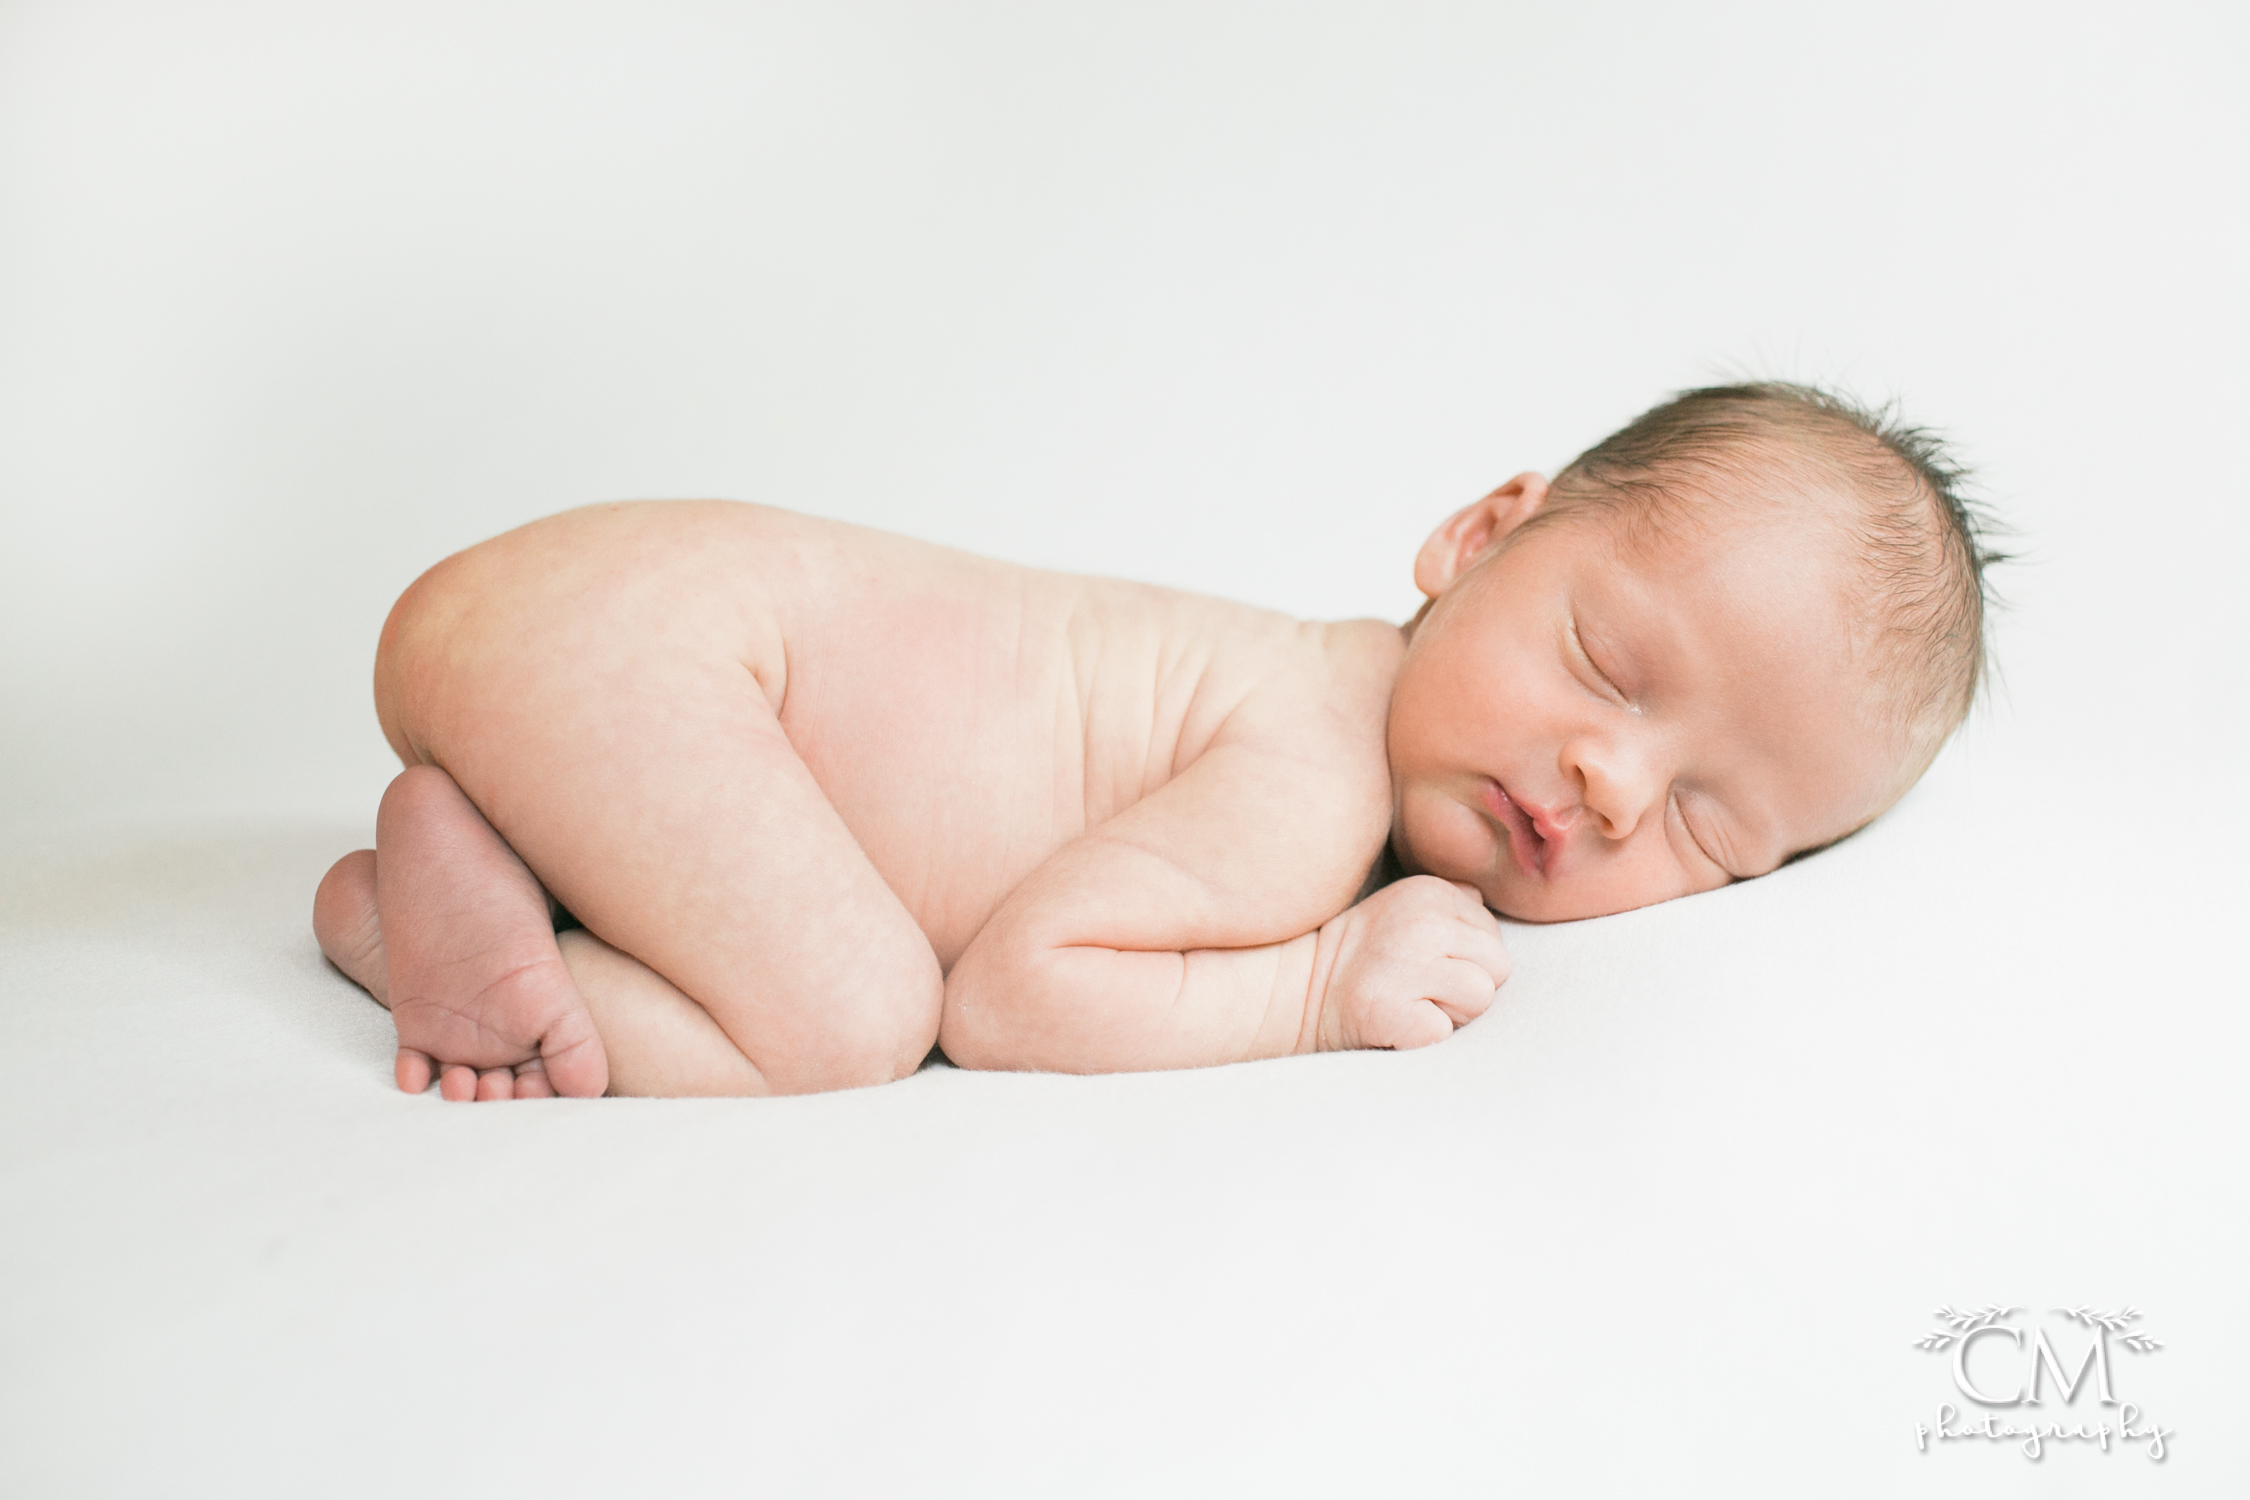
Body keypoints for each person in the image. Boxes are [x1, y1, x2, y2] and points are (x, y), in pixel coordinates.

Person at [311, 381, 1998, 1100]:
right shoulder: (1309, 761)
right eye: (1604, 663)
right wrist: (1311, 991)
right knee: (852, 1019)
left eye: (1708, 827)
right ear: (1478, 539)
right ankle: (430, 941)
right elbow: (1018, 990)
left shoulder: (1296, 700)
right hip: (654, 649)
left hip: (590, 633)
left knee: (797, 940)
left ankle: (502, 856)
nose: (1611, 785)